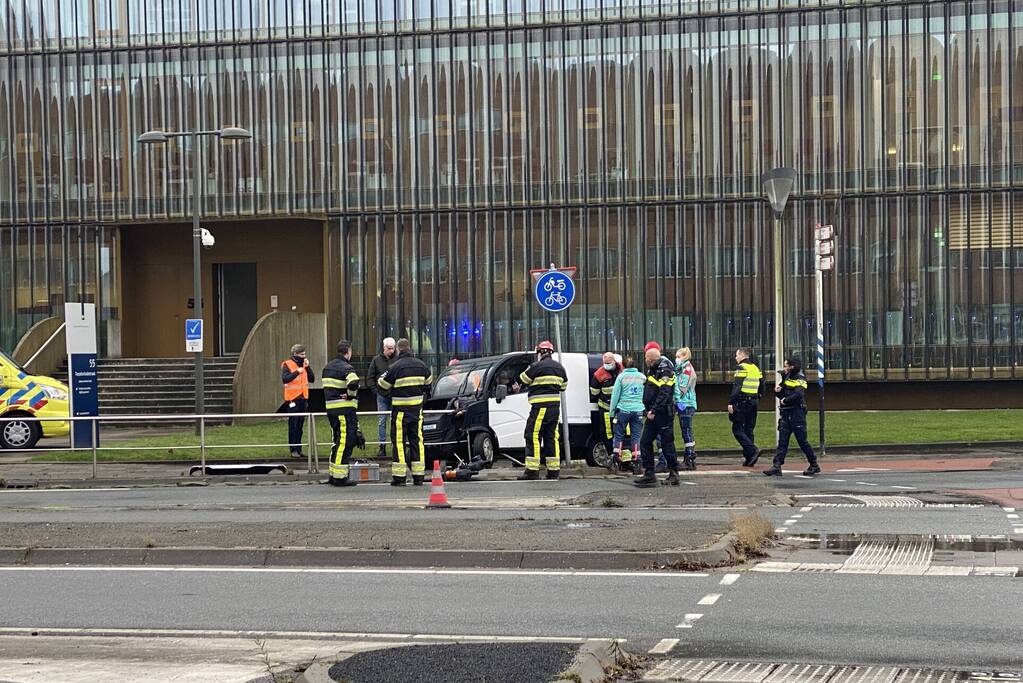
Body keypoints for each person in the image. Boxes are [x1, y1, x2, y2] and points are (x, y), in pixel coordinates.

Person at [376, 338, 433, 486]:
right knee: (417, 442)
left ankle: (400, 477)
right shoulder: (422, 365)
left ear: (399, 350)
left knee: (399, 443)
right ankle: (419, 475)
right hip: (417, 410)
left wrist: (390, 394)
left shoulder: (395, 367)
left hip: (400, 412)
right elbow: (428, 385)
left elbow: (382, 386)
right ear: (410, 349)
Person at [517, 340, 568, 480]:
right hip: (554, 409)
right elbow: (563, 386)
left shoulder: (536, 366)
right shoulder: (560, 368)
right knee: (551, 437)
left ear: (540, 352)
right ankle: (553, 471)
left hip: (540, 407)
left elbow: (523, 379)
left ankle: (532, 471)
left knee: (532, 435)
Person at [763, 356, 821, 477]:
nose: (784, 368)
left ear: (792, 366)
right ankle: (776, 466)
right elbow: (782, 392)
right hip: (786, 413)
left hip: (797, 413)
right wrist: (777, 391)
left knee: (802, 441)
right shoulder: (787, 377)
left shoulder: (801, 377)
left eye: (786, 365)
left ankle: (814, 464)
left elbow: (799, 393)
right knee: (782, 441)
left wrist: (786, 400)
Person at [634, 342, 680, 488]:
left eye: (646, 358)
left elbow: (665, 392)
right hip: (653, 413)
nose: (645, 360)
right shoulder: (654, 369)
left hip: (662, 413)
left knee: (667, 443)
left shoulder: (665, 369)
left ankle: (674, 473)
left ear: (651, 359)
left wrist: (654, 410)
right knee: (645, 441)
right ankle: (649, 474)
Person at [322, 340, 361, 487]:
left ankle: (333, 474)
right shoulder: (347, 368)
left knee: (336, 442)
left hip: (331, 410)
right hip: (344, 411)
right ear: (348, 351)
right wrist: (351, 395)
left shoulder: (327, 367)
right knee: (344, 442)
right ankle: (340, 477)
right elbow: (353, 382)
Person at [609, 355, 645, 474]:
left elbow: (615, 396)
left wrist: (612, 412)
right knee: (636, 437)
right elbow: (646, 394)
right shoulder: (642, 377)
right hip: (638, 410)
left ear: (623, 366)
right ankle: (637, 462)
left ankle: (616, 460)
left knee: (619, 436)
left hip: (623, 410)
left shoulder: (621, 377)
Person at [729, 347, 763, 467]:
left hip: (742, 401)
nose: (736, 357)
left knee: (737, 429)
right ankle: (750, 458)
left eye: (737, 355)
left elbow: (737, 386)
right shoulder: (755, 367)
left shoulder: (741, 368)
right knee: (749, 429)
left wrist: (731, 402)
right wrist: (758, 396)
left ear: (743, 356)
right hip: (754, 401)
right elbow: (762, 385)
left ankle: (752, 450)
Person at [281, 344, 314, 458]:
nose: (304, 356)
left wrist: (307, 367)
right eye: (302, 354)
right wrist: (297, 372)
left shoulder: (304, 365)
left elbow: (312, 379)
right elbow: (285, 378)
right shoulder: (287, 364)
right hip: (292, 399)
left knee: (300, 425)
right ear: (295, 354)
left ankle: (299, 448)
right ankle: (293, 449)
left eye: (304, 354)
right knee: (293, 425)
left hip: (303, 399)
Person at [367, 337, 397, 459]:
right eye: (388, 349)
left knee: (395, 421)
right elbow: (370, 377)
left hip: (394, 394)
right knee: (382, 421)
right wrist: (376, 391)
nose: (391, 351)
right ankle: (382, 446)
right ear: (384, 348)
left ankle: (395, 444)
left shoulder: (397, 359)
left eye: (392, 349)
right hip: (382, 395)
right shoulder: (376, 360)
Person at [590, 351, 622, 464]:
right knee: (608, 433)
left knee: (625, 432)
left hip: (621, 407)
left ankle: (625, 459)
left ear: (614, 361)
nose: (607, 364)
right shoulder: (599, 374)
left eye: (609, 362)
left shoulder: (622, 369)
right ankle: (612, 456)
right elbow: (594, 392)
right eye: (605, 362)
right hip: (606, 408)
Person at [674, 347, 698, 471]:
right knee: (686, 430)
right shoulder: (680, 369)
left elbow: (682, 388)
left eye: (679, 356)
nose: (677, 359)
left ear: (685, 357)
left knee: (687, 431)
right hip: (684, 403)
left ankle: (689, 457)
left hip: (685, 403)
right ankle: (689, 457)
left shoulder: (686, 370)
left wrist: (675, 399)